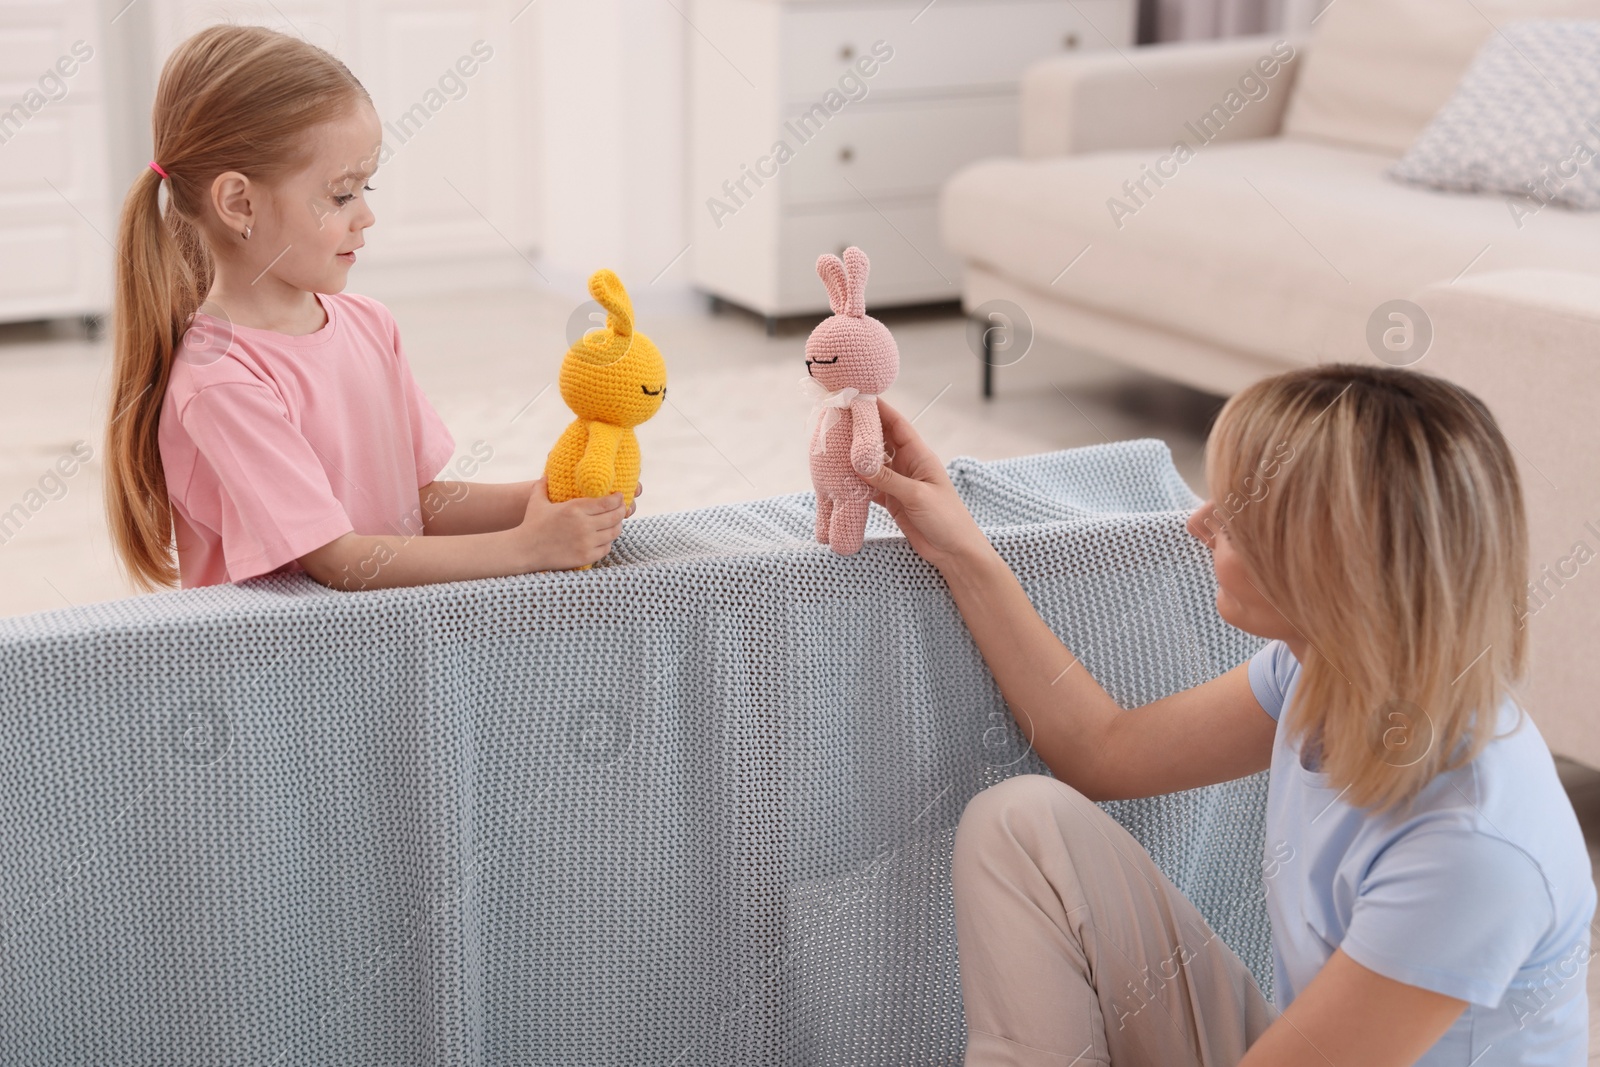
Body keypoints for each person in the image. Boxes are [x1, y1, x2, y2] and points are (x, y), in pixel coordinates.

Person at [864, 363, 1595, 1066]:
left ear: (1329, 568)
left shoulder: (1472, 846)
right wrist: (960, 546)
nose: (1199, 521)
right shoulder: (1321, 671)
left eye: (1237, 517)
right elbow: (1103, 751)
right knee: (1024, 822)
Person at [103, 25, 634, 593]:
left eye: (366, 190)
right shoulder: (221, 379)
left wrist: (544, 499)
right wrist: (528, 548)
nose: (365, 216)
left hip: (378, 650)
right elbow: (339, 560)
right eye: (340, 194)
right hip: (276, 670)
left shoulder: (371, 325)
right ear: (239, 202)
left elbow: (418, 503)